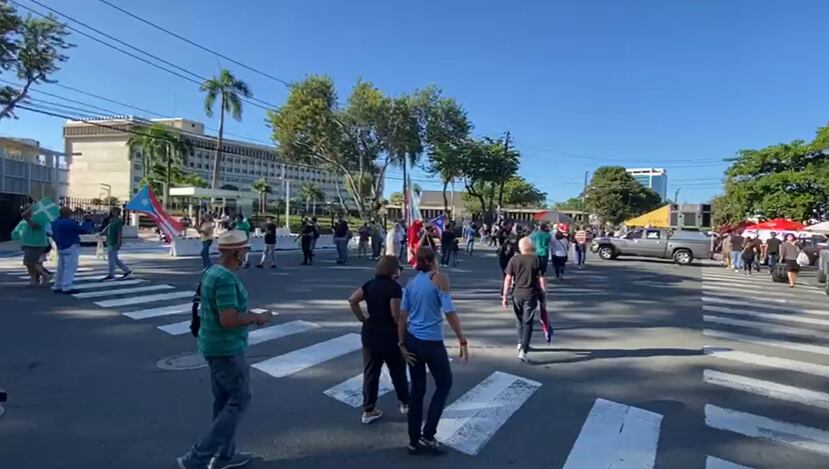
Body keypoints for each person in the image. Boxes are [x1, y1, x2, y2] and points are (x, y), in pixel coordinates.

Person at [176, 230, 271, 469]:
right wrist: (255, 318)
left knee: (223, 402)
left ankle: (224, 456)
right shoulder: (226, 278)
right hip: (226, 348)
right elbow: (228, 319)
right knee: (239, 400)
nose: (247, 254)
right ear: (237, 253)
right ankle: (197, 457)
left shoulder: (212, 271)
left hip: (212, 344)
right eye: (246, 250)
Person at [398, 247, 468, 455]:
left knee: (417, 390)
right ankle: (428, 434)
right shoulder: (439, 279)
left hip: (412, 340)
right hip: (431, 342)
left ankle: (413, 440)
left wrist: (401, 344)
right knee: (444, 383)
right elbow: (449, 311)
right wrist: (461, 338)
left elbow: (402, 317)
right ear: (433, 260)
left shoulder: (411, 283)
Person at [348, 256, 410, 424]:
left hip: (370, 333)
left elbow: (353, 300)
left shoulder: (369, 285)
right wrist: (403, 336)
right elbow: (395, 316)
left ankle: (369, 410)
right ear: (394, 270)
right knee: (397, 371)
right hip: (390, 335)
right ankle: (405, 402)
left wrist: (362, 317)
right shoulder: (394, 289)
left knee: (371, 372)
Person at [502, 237, 547, 362]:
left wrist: (504, 295)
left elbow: (508, 278)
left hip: (517, 293)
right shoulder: (536, 260)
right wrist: (544, 295)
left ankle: (520, 342)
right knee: (528, 321)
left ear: (521, 247)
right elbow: (541, 279)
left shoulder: (514, 259)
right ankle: (524, 348)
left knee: (519, 319)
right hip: (531, 293)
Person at [50, 207, 88, 294]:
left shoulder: (54, 223)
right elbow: (83, 230)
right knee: (70, 267)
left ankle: (58, 285)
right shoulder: (69, 223)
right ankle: (67, 286)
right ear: (67, 214)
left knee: (61, 267)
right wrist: (83, 219)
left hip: (60, 246)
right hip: (71, 246)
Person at [12, 206, 51, 287]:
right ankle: (35, 279)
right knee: (30, 263)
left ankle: (45, 275)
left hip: (37, 244)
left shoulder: (38, 219)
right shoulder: (24, 222)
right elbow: (16, 233)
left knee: (32, 262)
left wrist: (28, 220)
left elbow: (36, 227)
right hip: (29, 244)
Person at [101, 207, 132, 281]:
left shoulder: (119, 221)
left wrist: (118, 242)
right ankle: (127, 270)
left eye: (115, 211)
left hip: (114, 241)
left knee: (111, 259)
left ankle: (111, 274)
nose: (113, 213)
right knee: (115, 259)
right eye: (112, 211)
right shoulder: (111, 220)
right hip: (109, 240)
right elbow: (107, 229)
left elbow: (119, 232)